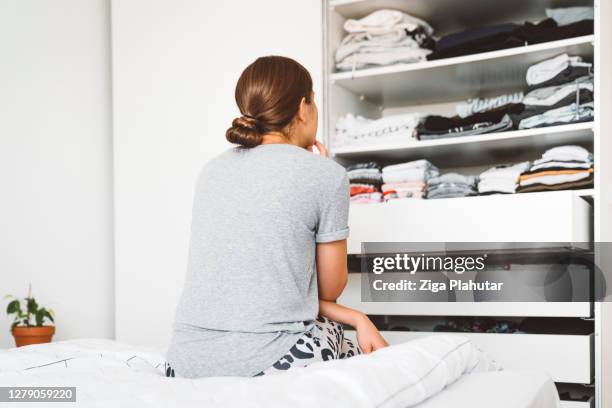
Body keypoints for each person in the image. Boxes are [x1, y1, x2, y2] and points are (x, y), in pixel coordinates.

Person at [166, 55, 387, 378]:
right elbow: (329, 290)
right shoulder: (326, 175)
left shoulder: (211, 171)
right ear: (303, 107)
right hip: (271, 360)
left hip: (184, 362)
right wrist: (357, 318)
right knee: (369, 363)